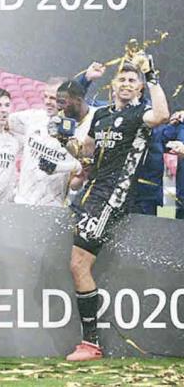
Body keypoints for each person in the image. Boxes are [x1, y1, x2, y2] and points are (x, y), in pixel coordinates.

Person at [64, 60, 169, 361]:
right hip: (92, 193)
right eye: (121, 79)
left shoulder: (141, 114)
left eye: (131, 81)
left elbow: (161, 115)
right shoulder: (101, 115)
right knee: (78, 265)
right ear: (113, 86)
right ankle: (89, 343)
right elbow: (86, 150)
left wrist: (150, 74)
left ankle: (90, 344)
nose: (125, 84)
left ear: (139, 88)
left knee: (79, 264)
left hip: (114, 196)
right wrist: (64, 141)